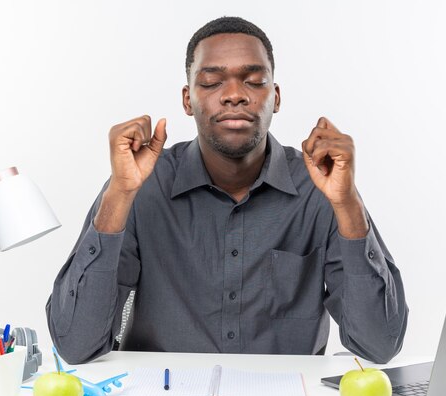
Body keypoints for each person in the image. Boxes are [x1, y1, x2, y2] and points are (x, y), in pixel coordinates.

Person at [46, 16, 408, 364]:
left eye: (253, 80)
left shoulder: (321, 188)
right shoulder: (142, 184)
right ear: (188, 100)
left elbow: (378, 345)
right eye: (211, 82)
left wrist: (347, 204)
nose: (234, 94)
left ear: (276, 97)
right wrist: (120, 194)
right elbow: (76, 344)